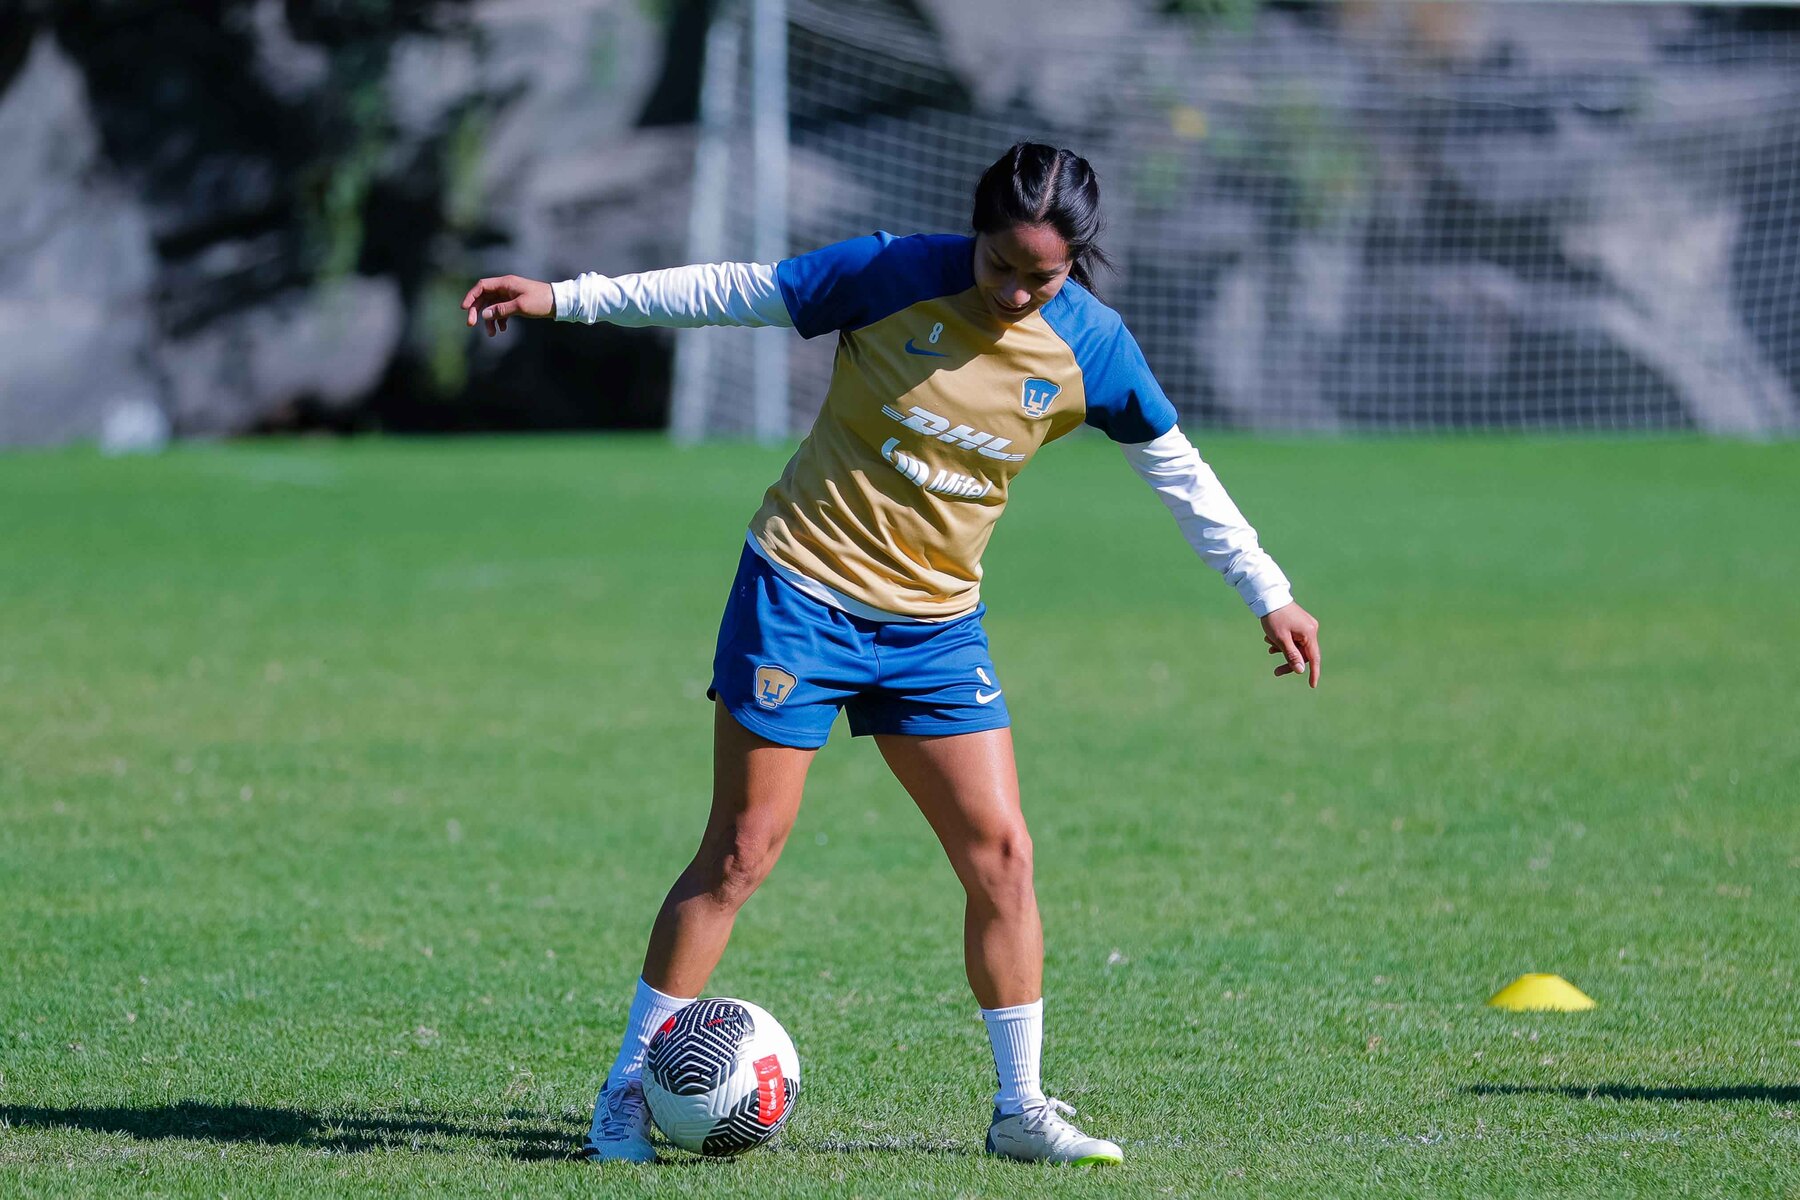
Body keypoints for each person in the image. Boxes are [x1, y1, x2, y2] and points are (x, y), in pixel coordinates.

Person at [461, 141, 1322, 1166]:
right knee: (740, 853)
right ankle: (622, 1096)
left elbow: (1177, 470)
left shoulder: (1092, 346)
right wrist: (569, 298)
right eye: (1000, 263)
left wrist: (1269, 591)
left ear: (1077, 263)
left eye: (1041, 277)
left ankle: (1020, 1110)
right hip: (799, 596)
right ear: (974, 233)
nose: (1014, 291)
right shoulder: (890, 274)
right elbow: (735, 290)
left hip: (935, 629)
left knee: (1003, 858)